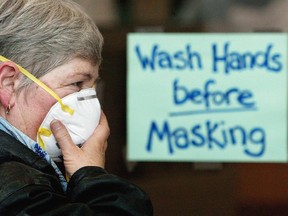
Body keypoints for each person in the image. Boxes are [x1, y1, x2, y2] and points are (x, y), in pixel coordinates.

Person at [0, 0, 153, 215]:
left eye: (91, 88)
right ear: (9, 83)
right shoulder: (14, 187)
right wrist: (90, 175)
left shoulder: (31, 166)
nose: (89, 104)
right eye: (77, 84)